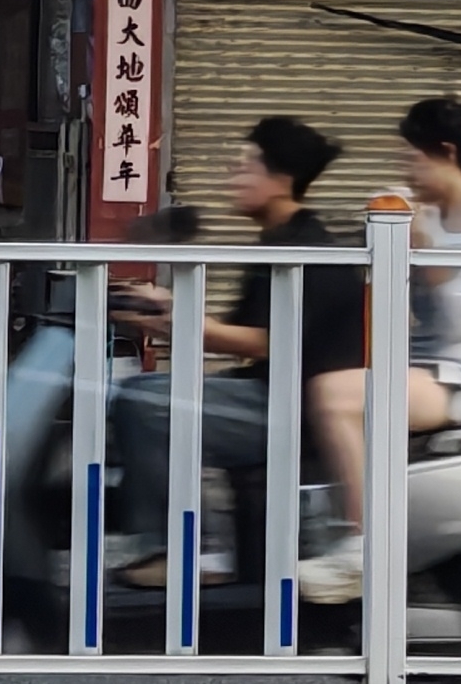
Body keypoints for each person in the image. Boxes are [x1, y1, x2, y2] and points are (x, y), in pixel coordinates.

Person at [297, 97, 461, 602]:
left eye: (413, 158)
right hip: (424, 362)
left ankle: (365, 547)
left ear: (447, 153)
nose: (406, 169)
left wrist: (423, 248)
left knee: (333, 396)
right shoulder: (429, 212)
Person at [104, 115, 362, 589]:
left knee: (145, 403)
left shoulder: (309, 250)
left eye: (246, 167)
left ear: (281, 180)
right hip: (266, 392)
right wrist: (165, 312)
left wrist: (186, 322)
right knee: (134, 391)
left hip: (295, 409)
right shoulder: (278, 241)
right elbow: (238, 333)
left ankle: (174, 551)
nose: (233, 176)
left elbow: (269, 340)